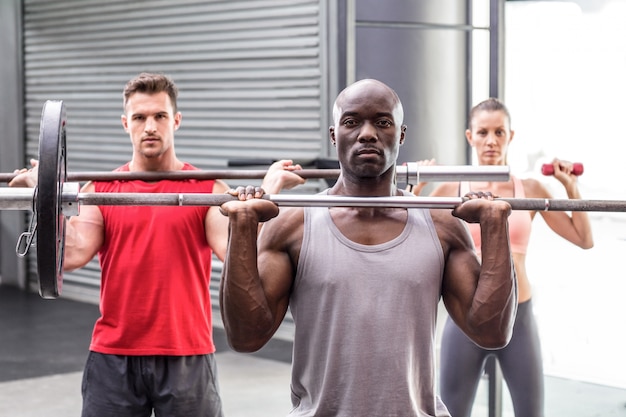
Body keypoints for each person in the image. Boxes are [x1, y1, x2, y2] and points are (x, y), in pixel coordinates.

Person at [9, 72, 305, 417]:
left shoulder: (207, 192)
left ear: (175, 120)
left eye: (159, 116)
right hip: (113, 353)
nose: (150, 126)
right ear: (125, 123)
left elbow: (237, 252)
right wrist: (43, 196)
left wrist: (267, 193)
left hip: (187, 352)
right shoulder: (101, 191)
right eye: (139, 117)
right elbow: (70, 254)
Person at [218, 79, 518, 416]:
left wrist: (495, 227)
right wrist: (242, 228)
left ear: (401, 134)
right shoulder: (293, 225)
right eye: (351, 122)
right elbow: (245, 337)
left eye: (382, 122)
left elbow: (492, 332)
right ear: (334, 136)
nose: (367, 133)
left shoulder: (441, 225)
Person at [412, 97, 594, 417]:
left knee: (530, 412)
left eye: (499, 132)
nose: (491, 141)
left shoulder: (531, 189)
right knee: (451, 412)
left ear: (511, 136)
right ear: (470, 137)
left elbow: (583, 239)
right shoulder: (451, 188)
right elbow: (406, 231)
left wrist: (571, 187)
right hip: (465, 317)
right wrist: (418, 187)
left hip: (519, 316)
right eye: (483, 132)